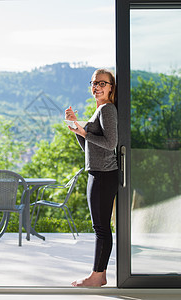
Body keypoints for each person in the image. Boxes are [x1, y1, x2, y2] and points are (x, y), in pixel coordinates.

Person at [65, 69, 118, 287]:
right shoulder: (100, 110)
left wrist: (85, 131)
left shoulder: (107, 109)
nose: (96, 87)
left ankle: (98, 275)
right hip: (97, 172)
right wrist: (75, 127)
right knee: (100, 226)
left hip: (104, 174)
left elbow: (111, 143)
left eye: (101, 83)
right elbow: (89, 148)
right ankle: (99, 274)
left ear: (111, 87)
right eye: (93, 83)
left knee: (101, 228)